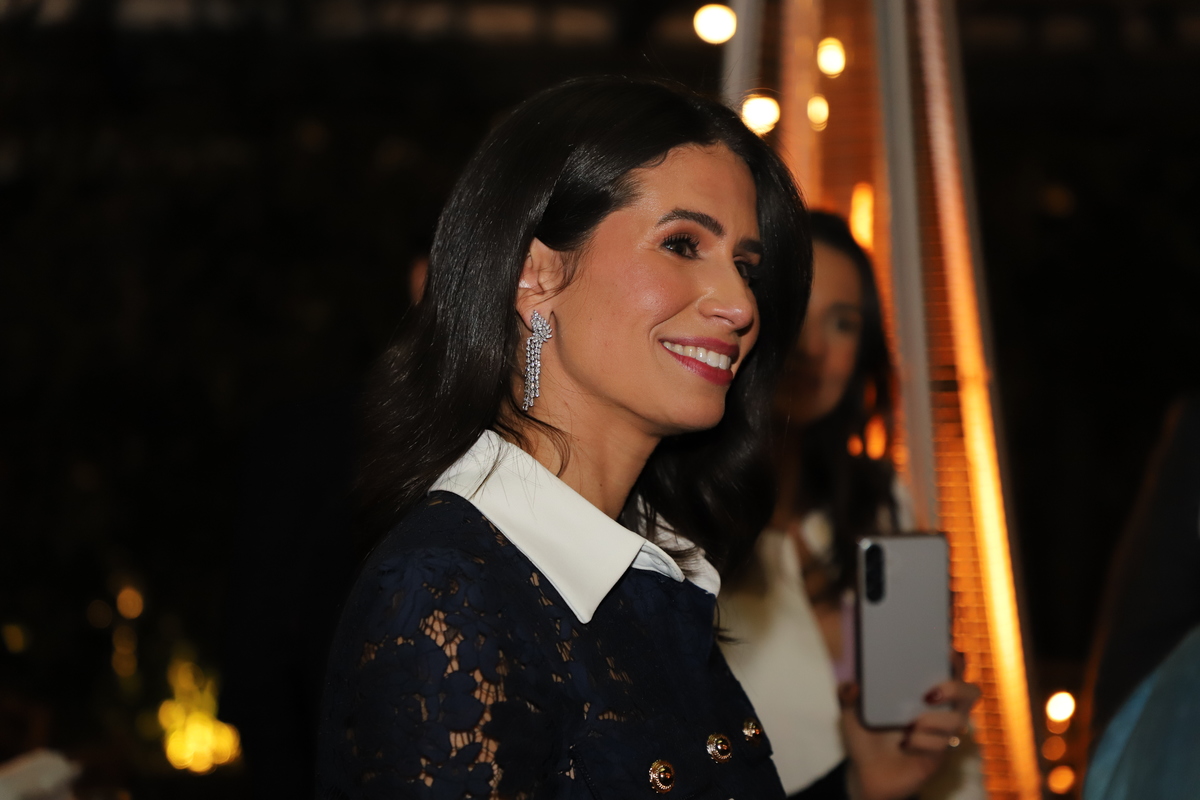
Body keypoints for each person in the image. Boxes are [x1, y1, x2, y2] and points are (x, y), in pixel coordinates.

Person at [317, 76, 812, 798]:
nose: (740, 304)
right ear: (536, 275)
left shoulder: (653, 569)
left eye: (744, 265)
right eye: (682, 244)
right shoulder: (446, 593)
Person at [719, 212, 983, 800]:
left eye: (842, 322)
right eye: (797, 309)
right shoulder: (681, 524)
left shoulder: (879, 499)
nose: (813, 347)